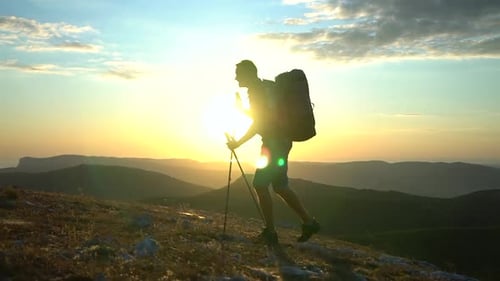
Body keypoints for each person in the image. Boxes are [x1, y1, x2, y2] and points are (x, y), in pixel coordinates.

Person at [226, 59, 320, 245]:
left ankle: (270, 232)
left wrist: (238, 143)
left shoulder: (256, 91)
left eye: (238, 74)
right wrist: (242, 110)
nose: (236, 78)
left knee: (260, 185)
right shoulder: (265, 87)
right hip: (282, 141)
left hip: (274, 144)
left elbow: (259, 123)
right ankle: (309, 223)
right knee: (280, 186)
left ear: (248, 73)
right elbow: (264, 117)